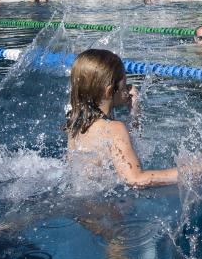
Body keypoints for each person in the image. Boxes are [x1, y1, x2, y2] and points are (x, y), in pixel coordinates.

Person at [64, 49, 177, 188]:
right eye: (125, 85)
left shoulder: (75, 123)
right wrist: (197, 168)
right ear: (110, 91)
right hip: (105, 207)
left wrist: (135, 112)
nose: (129, 89)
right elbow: (135, 179)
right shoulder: (114, 128)